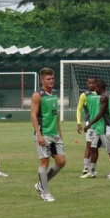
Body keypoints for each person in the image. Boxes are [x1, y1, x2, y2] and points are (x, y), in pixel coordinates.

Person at [31, 68, 66, 202]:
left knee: (61, 162)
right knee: (44, 161)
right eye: (48, 79)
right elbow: (33, 115)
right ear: (42, 80)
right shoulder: (37, 95)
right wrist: (38, 135)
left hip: (54, 133)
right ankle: (45, 193)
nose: (51, 81)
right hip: (43, 133)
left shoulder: (54, 93)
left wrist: (59, 130)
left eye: (52, 78)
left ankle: (41, 184)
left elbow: (54, 113)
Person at [84, 80, 110, 179]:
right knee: (93, 148)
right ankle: (91, 172)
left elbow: (100, 113)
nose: (95, 90)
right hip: (99, 128)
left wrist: (89, 125)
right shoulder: (109, 97)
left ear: (100, 88)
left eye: (96, 88)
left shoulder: (104, 97)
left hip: (105, 128)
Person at [76, 76, 101, 177]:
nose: (91, 85)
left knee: (96, 147)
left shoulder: (101, 94)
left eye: (93, 83)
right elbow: (79, 109)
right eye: (89, 83)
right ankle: (85, 167)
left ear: (96, 83)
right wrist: (78, 123)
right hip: (90, 124)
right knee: (89, 145)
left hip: (101, 124)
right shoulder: (84, 95)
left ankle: (92, 168)